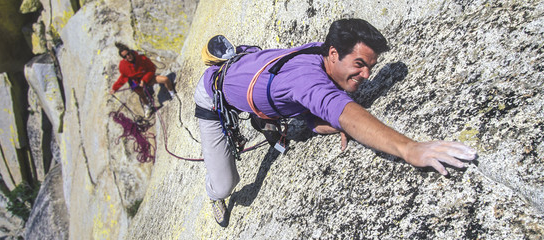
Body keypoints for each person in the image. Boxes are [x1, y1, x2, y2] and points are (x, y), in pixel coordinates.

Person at [193, 19, 477, 227]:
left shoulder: (321, 51)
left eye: (371, 67)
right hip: (212, 95)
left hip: (251, 71)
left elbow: (319, 111)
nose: (366, 74)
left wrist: (330, 123)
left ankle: (263, 115)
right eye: (359, 64)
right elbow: (339, 109)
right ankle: (213, 193)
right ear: (332, 54)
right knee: (225, 183)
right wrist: (409, 149)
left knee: (294, 109)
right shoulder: (308, 81)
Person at [110, 42, 176, 117]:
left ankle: (172, 94)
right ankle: (147, 107)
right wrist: (114, 88)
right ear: (123, 58)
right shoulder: (123, 66)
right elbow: (122, 78)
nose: (128, 56)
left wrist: (144, 79)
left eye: (128, 54)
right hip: (136, 82)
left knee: (165, 79)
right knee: (142, 95)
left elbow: (152, 69)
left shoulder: (142, 58)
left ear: (130, 52)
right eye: (125, 56)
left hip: (147, 78)